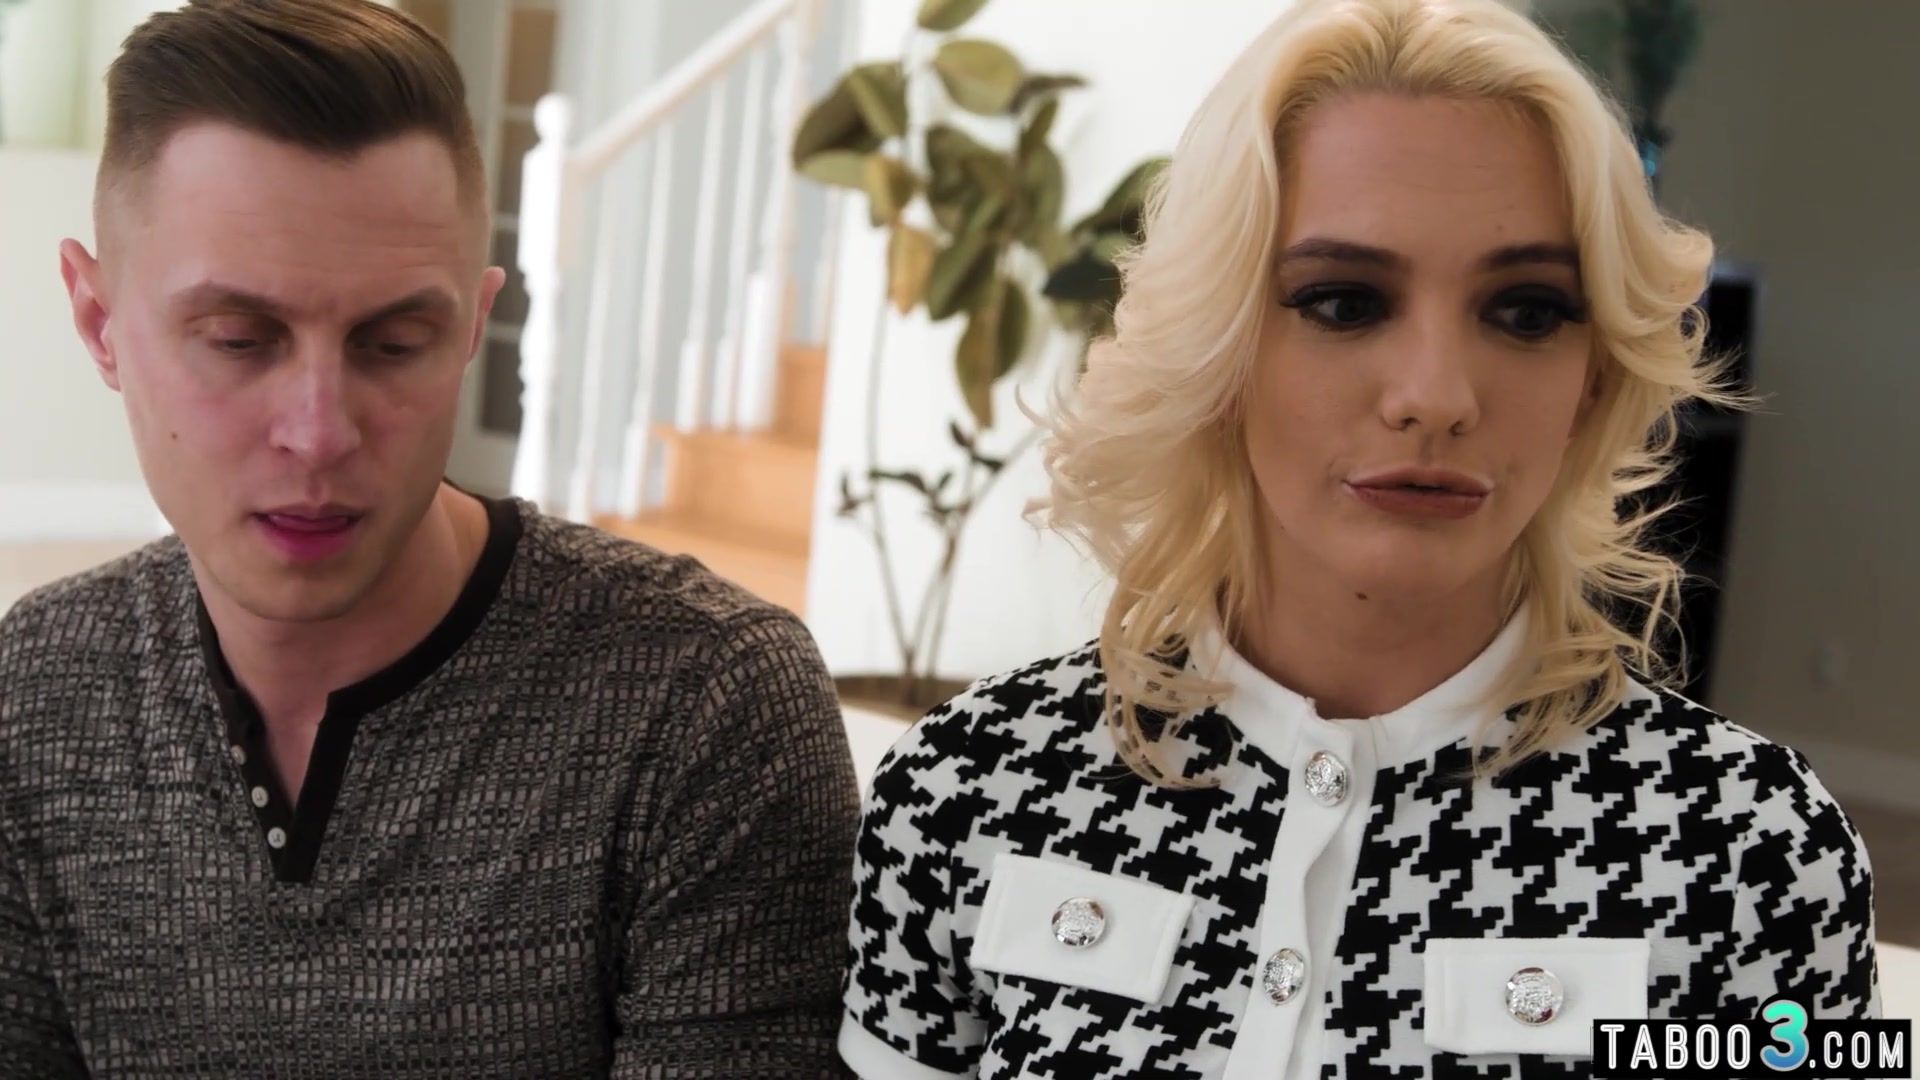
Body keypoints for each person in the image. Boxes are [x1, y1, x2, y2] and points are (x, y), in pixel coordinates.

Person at [837, 0, 1881, 1076]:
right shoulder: (970, 788)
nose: (1436, 397)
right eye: (1343, 303)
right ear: (1221, 345)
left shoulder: (1756, 853)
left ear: (1594, 377)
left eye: (1527, 312)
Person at [0, 1, 858, 1076]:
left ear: (471, 329)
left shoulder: (702, 706)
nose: (320, 431)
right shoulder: (36, 689)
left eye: (396, 342)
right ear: (98, 323)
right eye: (239, 339)